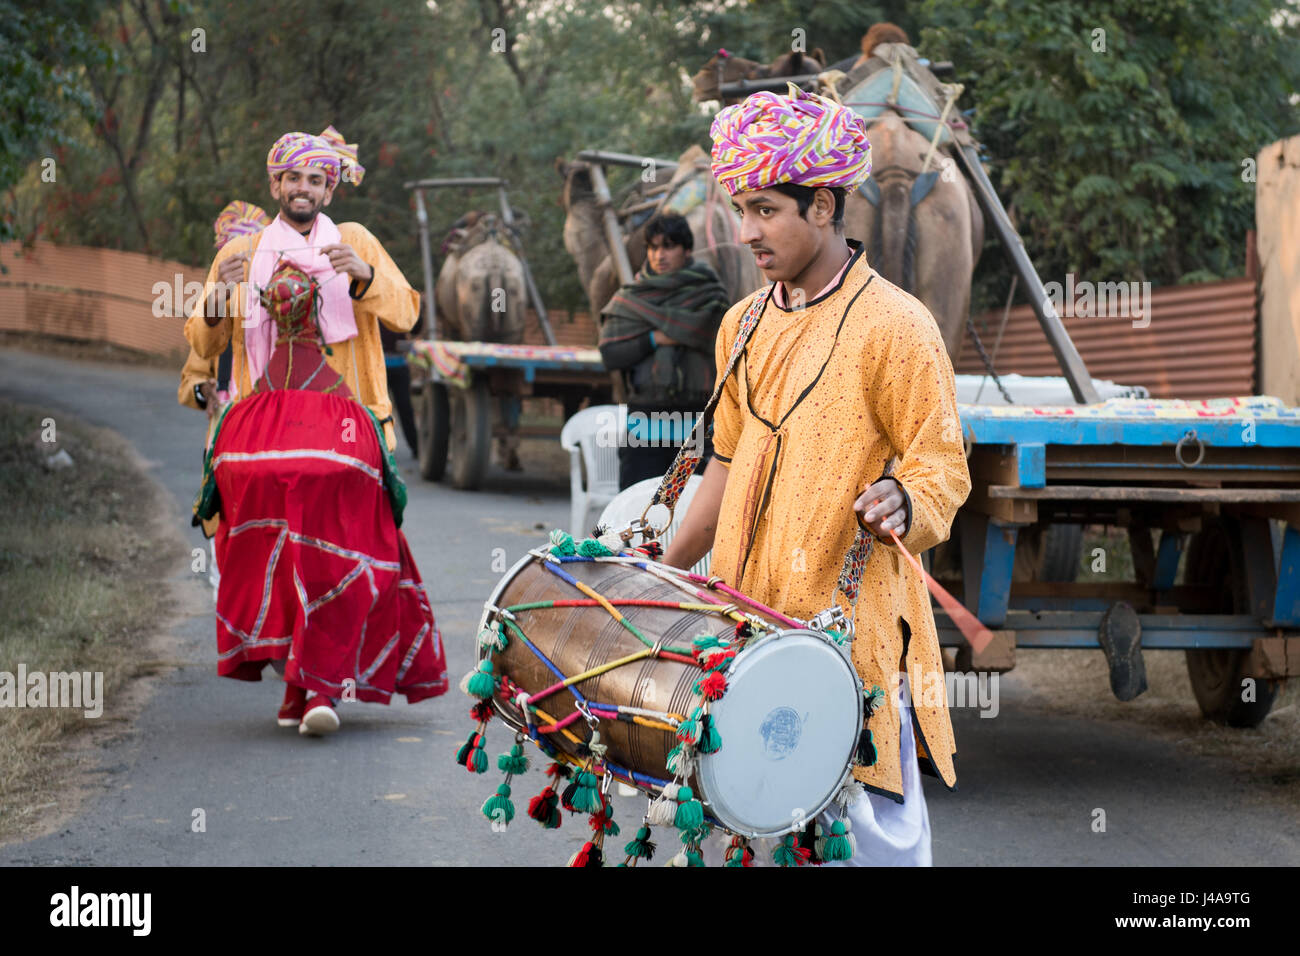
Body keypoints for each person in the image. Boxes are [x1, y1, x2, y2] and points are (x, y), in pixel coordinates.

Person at [661, 84, 972, 865]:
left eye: (765, 210)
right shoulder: (744, 323)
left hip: (848, 643)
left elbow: (941, 467)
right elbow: (722, 468)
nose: (745, 233)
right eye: (741, 210)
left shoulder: (897, 326)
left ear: (826, 208)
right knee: (749, 821)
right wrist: (654, 579)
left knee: (864, 843)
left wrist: (905, 497)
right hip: (744, 629)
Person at [185, 127, 447, 736]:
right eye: (291, 178)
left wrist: (364, 277)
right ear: (274, 184)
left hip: (349, 428)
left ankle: (319, 688)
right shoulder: (242, 253)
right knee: (276, 557)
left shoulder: (353, 240)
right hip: (267, 430)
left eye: (314, 179)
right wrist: (218, 299)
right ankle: (302, 684)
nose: (302, 188)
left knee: (344, 557)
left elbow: (407, 311)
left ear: (329, 187)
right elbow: (202, 342)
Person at [598, 213, 731, 489]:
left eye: (668, 246)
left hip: (698, 420)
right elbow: (611, 356)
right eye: (653, 247)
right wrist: (654, 339)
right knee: (637, 506)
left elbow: (726, 352)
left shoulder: (711, 296)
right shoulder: (631, 298)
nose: (660, 255)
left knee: (692, 508)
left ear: (686, 250)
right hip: (646, 419)